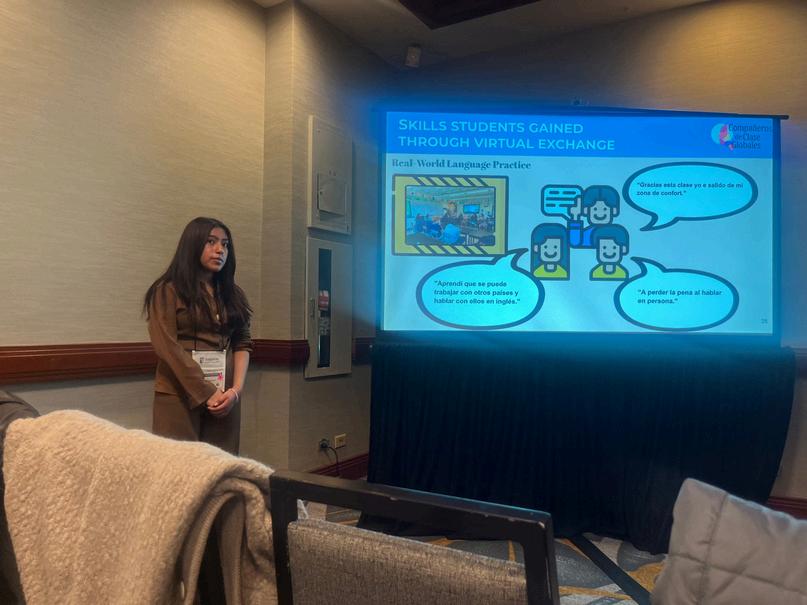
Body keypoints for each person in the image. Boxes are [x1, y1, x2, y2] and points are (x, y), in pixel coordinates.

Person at [144, 217, 252, 455]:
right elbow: (166, 347)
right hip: (178, 394)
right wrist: (206, 391)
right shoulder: (167, 290)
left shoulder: (233, 294)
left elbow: (242, 342)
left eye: (225, 244)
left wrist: (236, 391)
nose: (220, 250)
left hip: (224, 395)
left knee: (221, 465)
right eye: (211, 242)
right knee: (179, 465)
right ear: (192, 245)